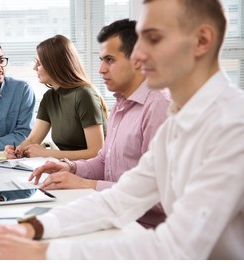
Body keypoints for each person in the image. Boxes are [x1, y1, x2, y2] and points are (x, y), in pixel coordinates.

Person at [0, 0, 244, 260]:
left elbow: (177, 248)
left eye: (154, 39)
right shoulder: (178, 121)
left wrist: (42, 253)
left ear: (202, 41)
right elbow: (120, 199)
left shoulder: (232, 124)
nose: (139, 55)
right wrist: (29, 229)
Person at [29, 19, 170, 229]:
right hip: (112, 214)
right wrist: (70, 167)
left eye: (110, 60)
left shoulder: (160, 107)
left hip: (143, 229)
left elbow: (161, 197)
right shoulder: (122, 103)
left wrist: (89, 185)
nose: (101, 69)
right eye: (101, 60)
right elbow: (105, 161)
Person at [4, 35, 107, 161]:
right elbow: (33, 139)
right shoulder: (49, 97)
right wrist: (18, 150)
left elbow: (96, 152)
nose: (34, 68)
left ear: (55, 65)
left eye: (39, 63)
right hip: (69, 168)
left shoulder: (85, 95)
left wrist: (46, 153)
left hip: (93, 171)